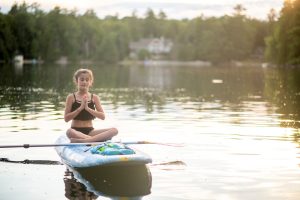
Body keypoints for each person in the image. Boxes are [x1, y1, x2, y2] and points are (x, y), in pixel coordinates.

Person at [64, 68, 118, 143]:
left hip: (91, 131)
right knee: (69, 132)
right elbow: (66, 119)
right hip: (76, 131)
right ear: (77, 81)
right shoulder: (71, 97)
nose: (84, 82)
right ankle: (97, 140)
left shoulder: (95, 97)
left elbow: (102, 117)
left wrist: (87, 108)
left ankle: (87, 140)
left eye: (87, 80)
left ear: (90, 82)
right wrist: (81, 107)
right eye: (82, 79)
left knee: (114, 130)